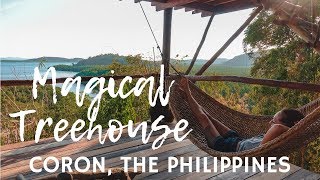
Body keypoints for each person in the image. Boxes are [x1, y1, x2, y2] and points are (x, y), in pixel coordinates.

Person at [178, 77, 305, 152]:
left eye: (273, 120)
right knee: (210, 116)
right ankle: (188, 99)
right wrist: (296, 127)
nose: (270, 122)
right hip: (239, 140)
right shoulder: (279, 133)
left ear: (284, 124)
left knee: (204, 118)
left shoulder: (278, 132)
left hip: (227, 147)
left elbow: (277, 128)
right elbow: (278, 127)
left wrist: (297, 127)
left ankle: (188, 93)